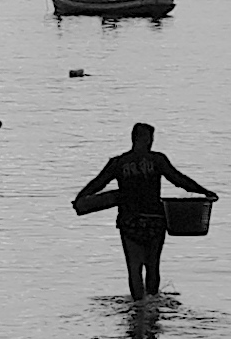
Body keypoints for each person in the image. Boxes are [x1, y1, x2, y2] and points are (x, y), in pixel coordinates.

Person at [74, 120, 214, 302]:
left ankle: (139, 307)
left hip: (129, 222)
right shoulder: (158, 160)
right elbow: (179, 180)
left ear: (133, 138)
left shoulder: (118, 163)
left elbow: (97, 183)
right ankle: (153, 304)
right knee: (153, 266)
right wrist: (204, 192)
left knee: (134, 268)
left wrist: (80, 198)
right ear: (147, 139)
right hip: (155, 221)